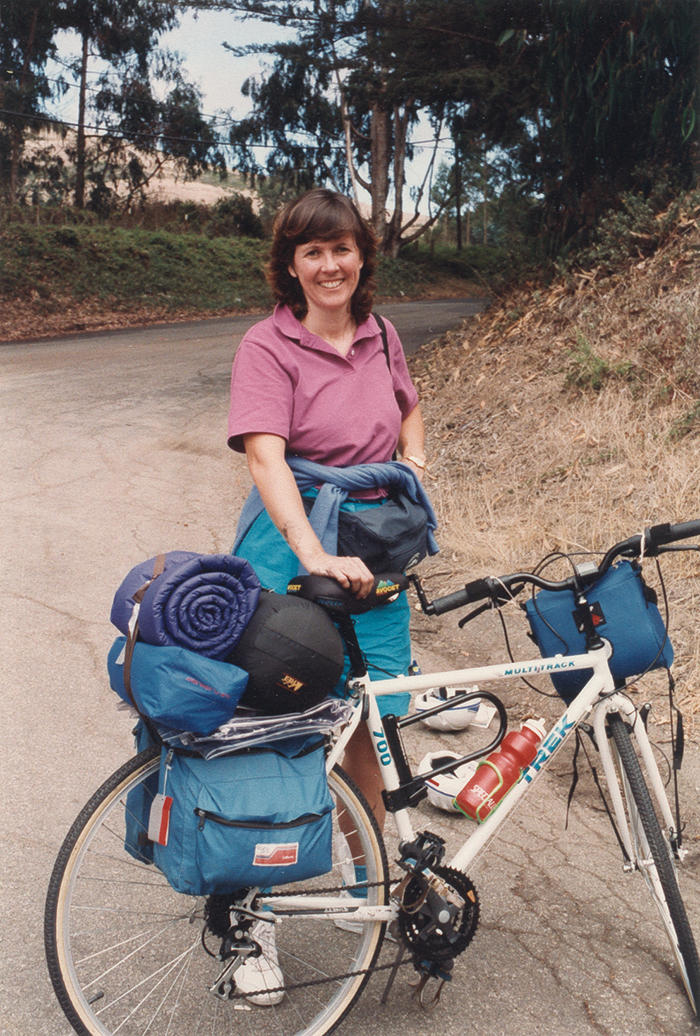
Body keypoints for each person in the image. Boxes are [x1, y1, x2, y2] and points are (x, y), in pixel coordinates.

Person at [227, 188, 431, 1002]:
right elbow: (266, 460)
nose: (330, 264)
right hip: (291, 549)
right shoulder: (265, 345)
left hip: (376, 551)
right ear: (289, 265)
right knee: (277, 730)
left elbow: (411, 412)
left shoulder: (382, 335)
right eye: (312, 251)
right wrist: (315, 552)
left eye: (341, 248)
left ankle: (363, 879)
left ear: (362, 256)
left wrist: (412, 470)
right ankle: (253, 920)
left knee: (370, 722)